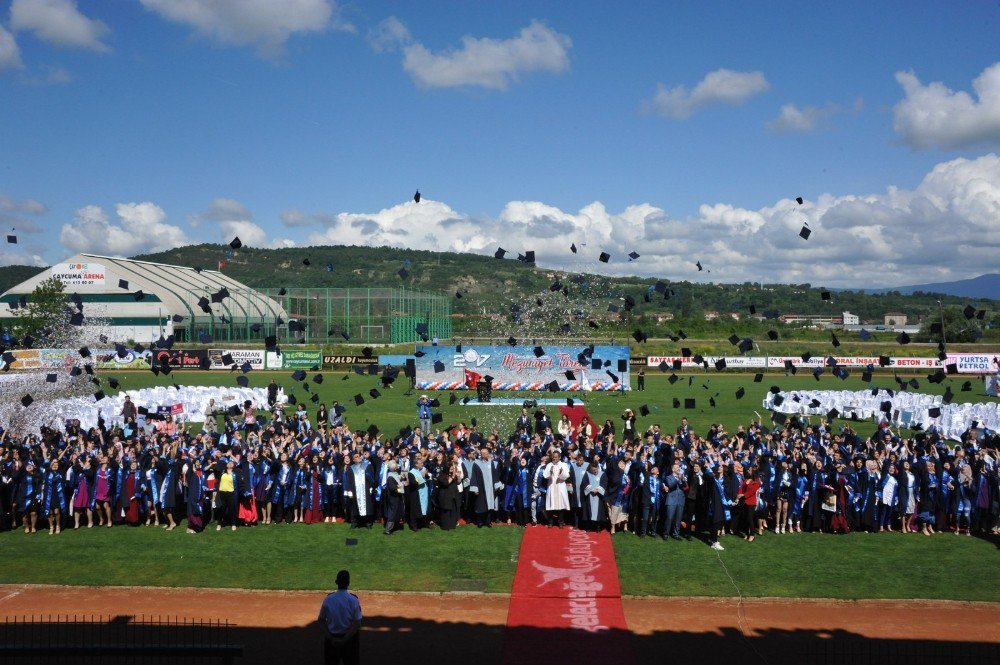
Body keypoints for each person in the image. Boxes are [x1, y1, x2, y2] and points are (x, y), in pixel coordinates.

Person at [318, 569, 362, 665]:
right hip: (350, 641)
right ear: (348, 583)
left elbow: (321, 621)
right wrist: (345, 640)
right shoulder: (354, 600)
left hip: (332, 642)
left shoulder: (328, 599)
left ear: (336, 582)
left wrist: (331, 638)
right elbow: (357, 623)